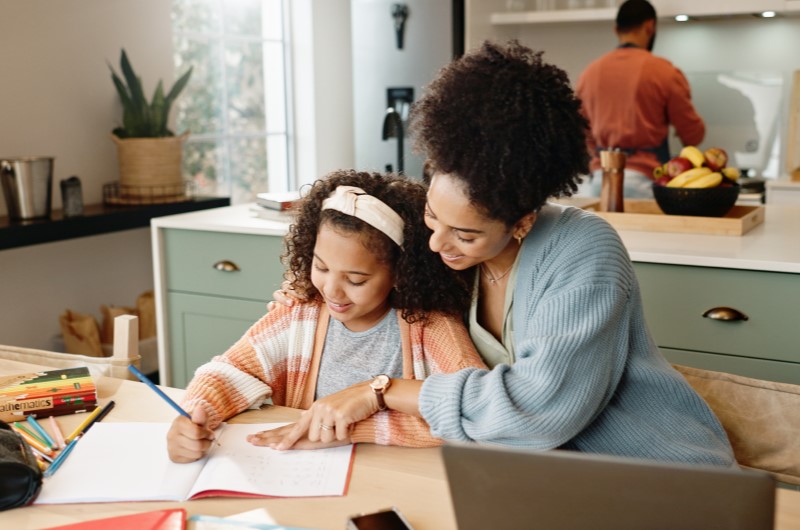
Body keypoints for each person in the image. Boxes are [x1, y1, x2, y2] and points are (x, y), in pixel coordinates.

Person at [269, 40, 735, 467]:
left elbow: (539, 413)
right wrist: (308, 298)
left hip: (655, 475)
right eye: (432, 215)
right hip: (530, 475)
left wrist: (384, 391)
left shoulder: (584, 251)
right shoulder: (444, 254)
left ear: (522, 222)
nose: (436, 244)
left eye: (465, 234)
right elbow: (371, 290)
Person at [166, 170, 486, 463]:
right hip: (304, 469)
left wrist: (347, 429)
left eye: (356, 279)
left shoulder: (429, 327)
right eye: (320, 267)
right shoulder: (301, 313)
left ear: (400, 274)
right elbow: (229, 371)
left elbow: (476, 413)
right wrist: (196, 414)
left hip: (393, 473)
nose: (331, 290)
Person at [575, 0, 705, 198]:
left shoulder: (590, 73)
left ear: (616, 29)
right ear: (650, 26)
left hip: (600, 181)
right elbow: (693, 135)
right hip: (645, 182)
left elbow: (582, 130)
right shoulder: (664, 72)